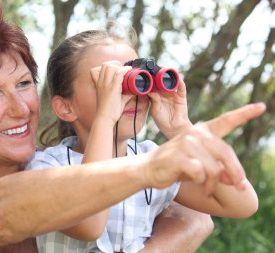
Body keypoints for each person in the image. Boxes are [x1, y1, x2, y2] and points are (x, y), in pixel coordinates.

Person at [0, 0, 266, 252]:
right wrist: (148, 169)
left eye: (24, 84)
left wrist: (179, 129)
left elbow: (198, 217)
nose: (20, 108)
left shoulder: (58, 161)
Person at [27, 29, 260, 253]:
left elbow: (242, 203)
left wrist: (180, 128)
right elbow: (90, 225)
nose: (131, 95)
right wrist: (106, 118)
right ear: (66, 107)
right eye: (108, 83)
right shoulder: (47, 167)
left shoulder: (150, 159)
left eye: (138, 80)